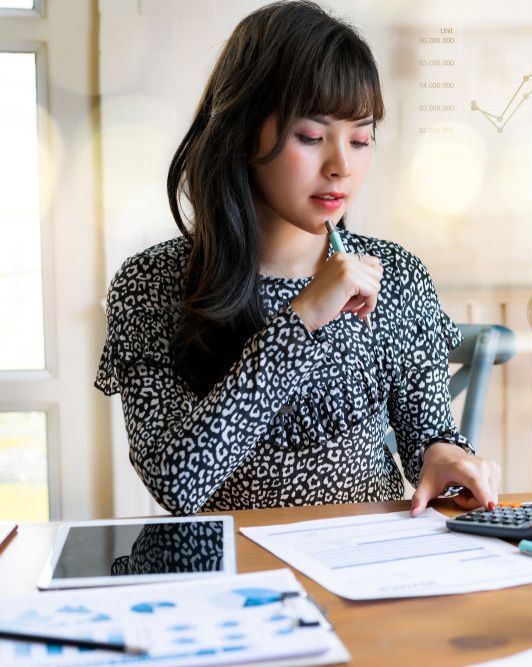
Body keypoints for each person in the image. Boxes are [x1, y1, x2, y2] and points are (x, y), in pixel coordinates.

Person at [95, 0, 500, 517]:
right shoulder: (152, 283)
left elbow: (430, 437)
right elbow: (178, 481)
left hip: (368, 568)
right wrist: (305, 317)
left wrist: (446, 457)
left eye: (360, 139)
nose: (341, 167)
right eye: (311, 136)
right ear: (242, 133)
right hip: (236, 578)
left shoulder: (395, 275)